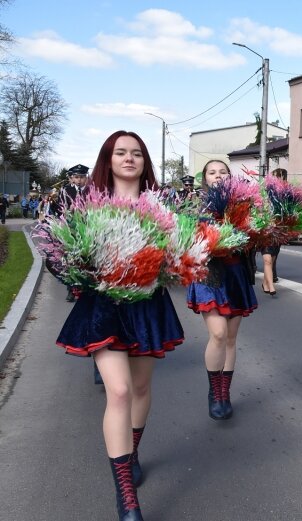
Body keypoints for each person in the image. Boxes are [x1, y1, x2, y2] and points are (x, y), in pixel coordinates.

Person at [55, 130, 185, 521]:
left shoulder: (162, 206)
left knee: (142, 387)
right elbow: (61, 256)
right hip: (103, 308)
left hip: (147, 305)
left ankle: (133, 449)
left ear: (145, 162)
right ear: (108, 159)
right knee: (120, 390)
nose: (129, 159)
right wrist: (82, 272)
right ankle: (125, 491)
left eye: (137, 154)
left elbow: (179, 257)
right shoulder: (85, 205)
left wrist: (176, 264)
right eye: (120, 152)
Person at [186, 159, 257, 421]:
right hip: (209, 275)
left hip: (236, 275)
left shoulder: (242, 204)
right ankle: (214, 392)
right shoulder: (196, 206)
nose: (218, 176)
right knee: (218, 334)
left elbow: (253, 239)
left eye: (223, 172)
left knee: (230, 338)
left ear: (230, 176)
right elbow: (186, 240)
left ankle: (225, 393)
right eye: (212, 173)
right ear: (205, 178)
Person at [62, 164, 91, 302]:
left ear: (86, 178)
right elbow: (60, 208)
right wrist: (69, 210)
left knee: (87, 259)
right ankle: (70, 289)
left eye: (82, 177)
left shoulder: (92, 190)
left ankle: (86, 289)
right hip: (71, 229)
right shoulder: (66, 190)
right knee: (71, 259)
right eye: (76, 177)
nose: (79, 180)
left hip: (87, 229)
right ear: (72, 178)